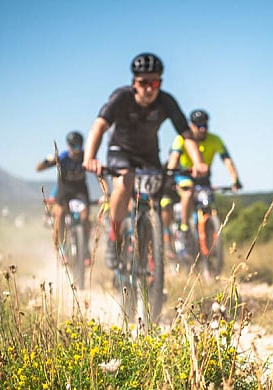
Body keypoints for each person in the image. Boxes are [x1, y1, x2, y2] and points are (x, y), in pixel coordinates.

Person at [82, 53, 208, 270]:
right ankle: (114, 237)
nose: (149, 88)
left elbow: (187, 134)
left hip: (149, 155)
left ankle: (151, 256)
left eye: (154, 83)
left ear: (160, 83)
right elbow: (99, 127)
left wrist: (198, 162)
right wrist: (90, 157)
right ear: (134, 83)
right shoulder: (121, 97)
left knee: (155, 199)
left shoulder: (166, 101)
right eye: (143, 83)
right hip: (120, 151)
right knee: (124, 183)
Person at [162, 109, 242, 253]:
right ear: (191, 126)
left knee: (208, 204)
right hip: (184, 175)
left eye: (205, 125)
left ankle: (208, 243)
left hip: (203, 178)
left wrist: (235, 179)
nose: (202, 128)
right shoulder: (182, 138)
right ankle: (184, 228)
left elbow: (227, 161)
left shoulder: (215, 139)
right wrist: (170, 175)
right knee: (188, 192)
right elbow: (173, 158)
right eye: (199, 125)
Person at [36, 130, 91, 264]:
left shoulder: (86, 156)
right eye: (74, 146)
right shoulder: (63, 158)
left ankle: (85, 249)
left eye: (79, 146)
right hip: (64, 191)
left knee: (85, 217)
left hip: (80, 191)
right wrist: (47, 160)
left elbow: (100, 174)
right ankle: (62, 249)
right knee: (60, 214)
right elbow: (39, 168)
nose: (76, 150)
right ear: (69, 146)